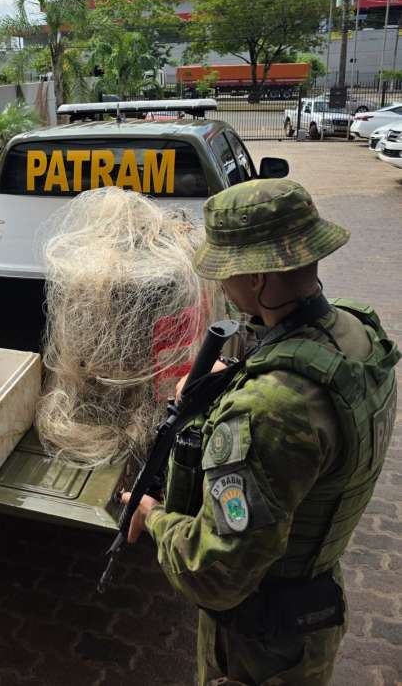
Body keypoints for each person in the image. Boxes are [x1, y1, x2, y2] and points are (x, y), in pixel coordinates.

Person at [122, 179, 399, 686]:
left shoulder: (268, 410)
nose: (221, 285)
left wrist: (155, 516)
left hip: (259, 649)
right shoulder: (356, 334)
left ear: (257, 278)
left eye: (226, 272)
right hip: (312, 616)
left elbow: (216, 575)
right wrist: (231, 375)